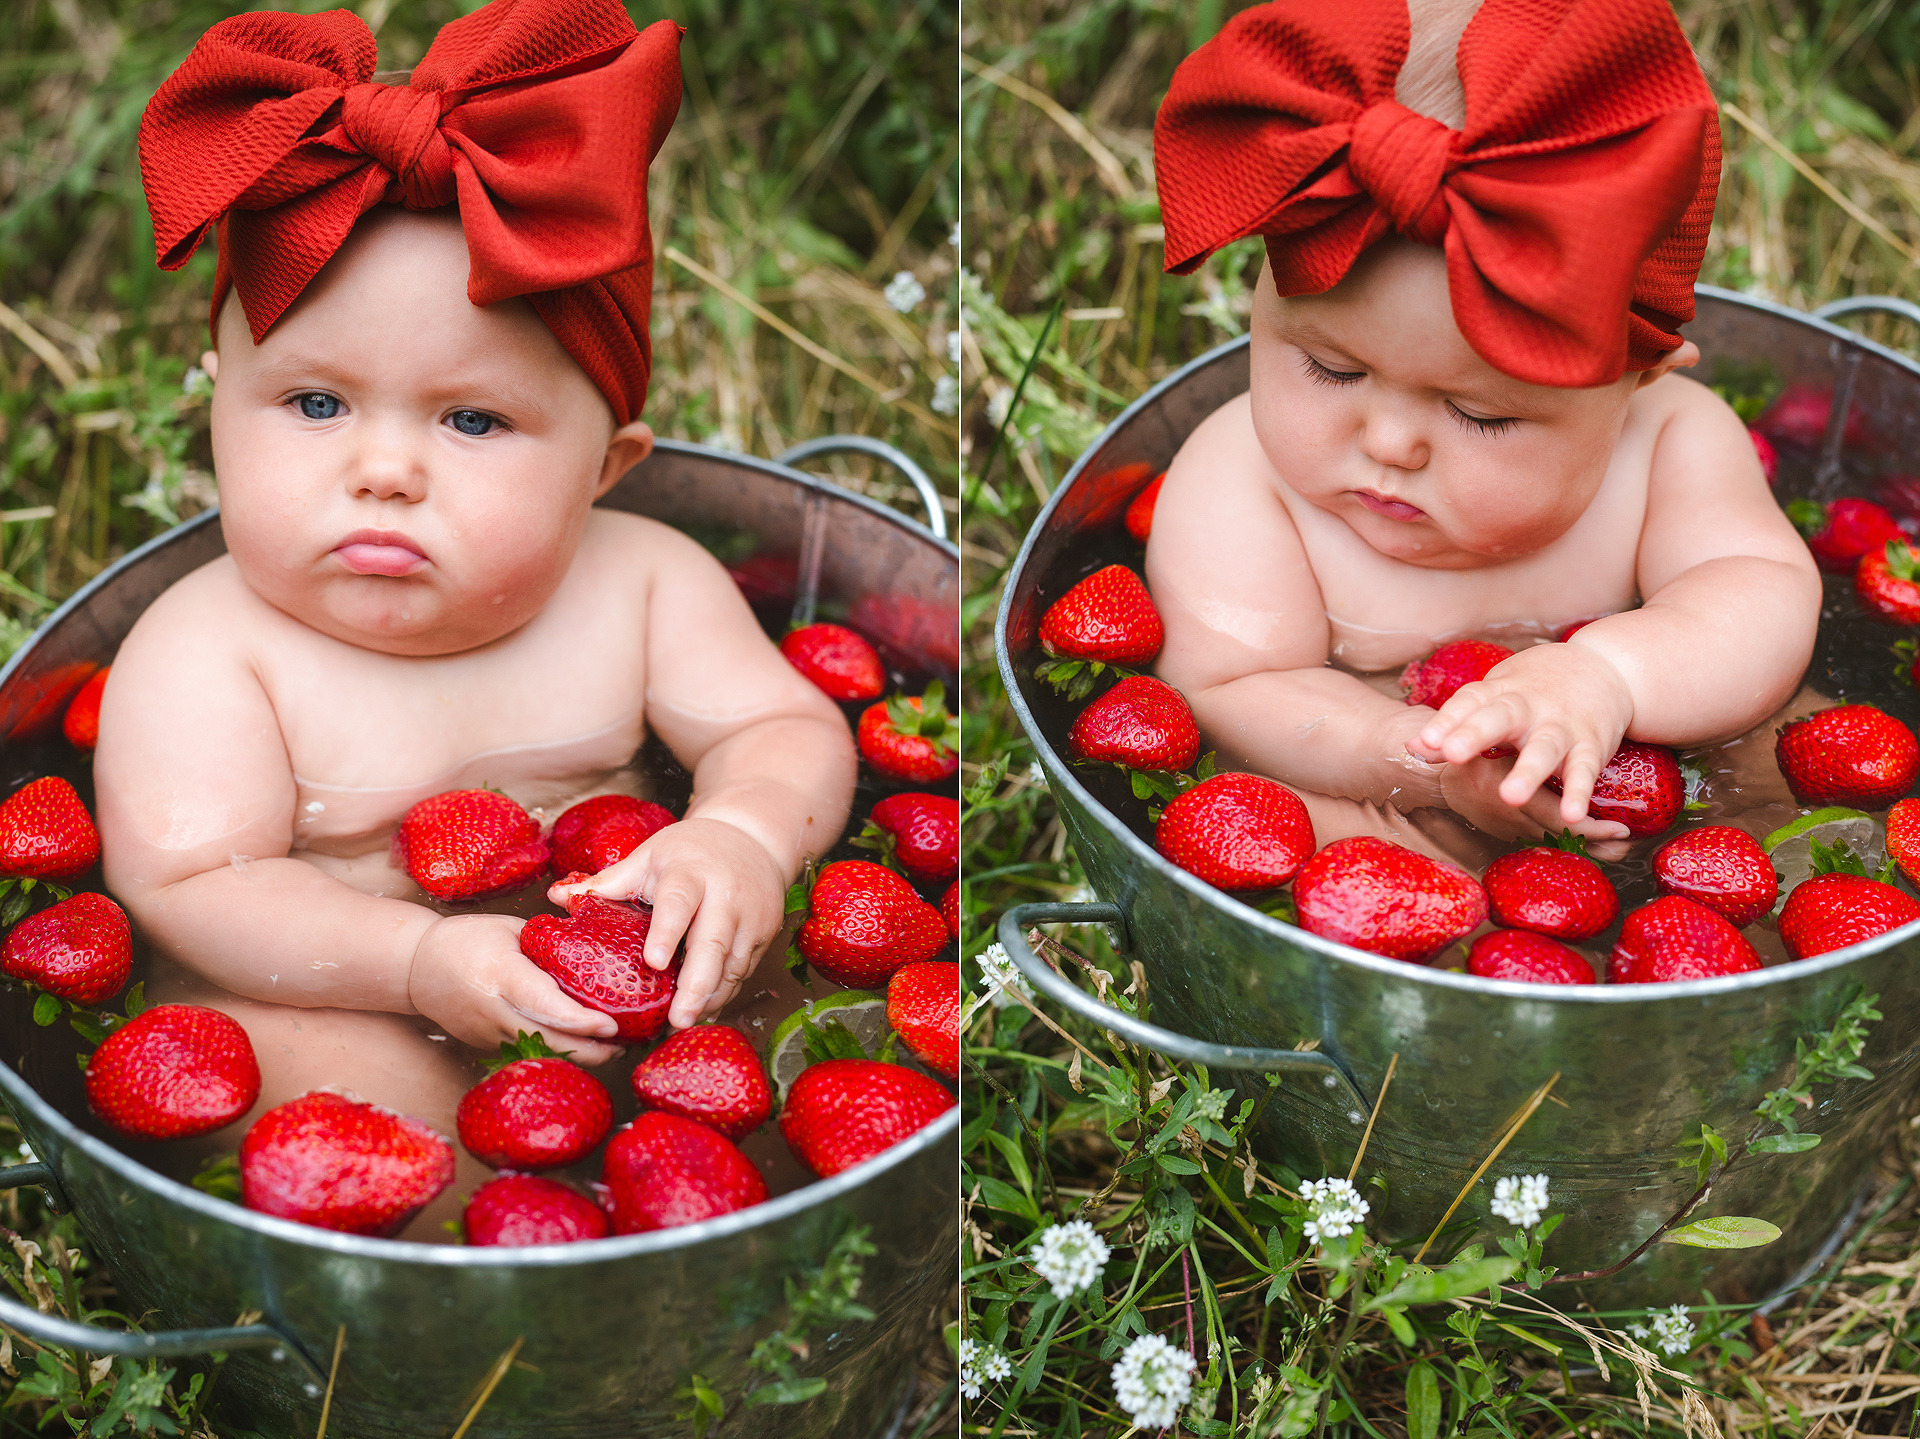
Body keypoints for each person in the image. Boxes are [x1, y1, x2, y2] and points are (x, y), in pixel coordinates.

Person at [91, 0, 856, 1201]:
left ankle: (724, 1229)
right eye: (315, 403)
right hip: (352, 986)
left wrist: (741, 834)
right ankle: (469, 1274)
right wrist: (415, 959)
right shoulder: (208, 647)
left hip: (636, 961)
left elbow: (783, 728)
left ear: (604, 469)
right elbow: (192, 887)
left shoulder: (642, 579)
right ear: (215, 417)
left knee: (801, 1026)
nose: (384, 469)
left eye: (472, 419)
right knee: (310, 1080)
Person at [1144, 0, 1819, 864]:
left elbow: (1760, 593)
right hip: (1379, 781)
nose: (1391, 442)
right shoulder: (1243, 475)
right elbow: (1234, 686)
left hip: (1653, 765)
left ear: (1638, 380)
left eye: (1480, 414)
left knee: (1782, 779)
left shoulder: (1668, 443)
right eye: (1332, 369)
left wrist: (1610, 674)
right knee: (1292, 828)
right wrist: (1414, 761)